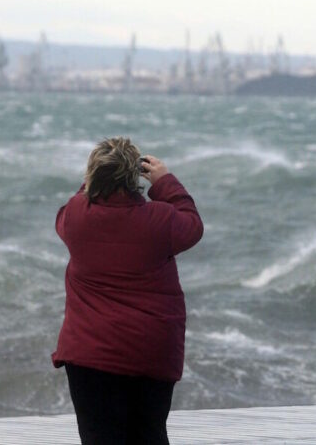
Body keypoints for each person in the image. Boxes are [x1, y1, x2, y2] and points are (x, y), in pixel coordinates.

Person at [51, 137, 203, 444]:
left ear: (94, 174)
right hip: (149, 351)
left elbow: (78, 200)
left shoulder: (75, 217)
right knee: (149, 436)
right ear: (134, 177)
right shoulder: (160, 219)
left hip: (89, 354)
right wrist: (165, 182)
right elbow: (193, 226)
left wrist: (93, 180)